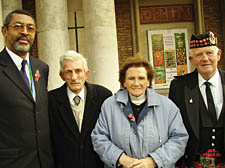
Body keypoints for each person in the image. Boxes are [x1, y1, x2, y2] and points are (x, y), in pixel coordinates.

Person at [91, 56, 189, 168]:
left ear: (148, 81)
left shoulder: (168, 107)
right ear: (124, 82)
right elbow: (99, 137)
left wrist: (154, 160)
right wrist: (120, 158)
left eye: (141, 78)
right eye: (131, 78)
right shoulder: (109, 106)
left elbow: (179, 138)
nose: (136, 83)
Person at [0, 9, 55, 168]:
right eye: (18, 27)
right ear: (5, 31)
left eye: (30, 28)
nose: (25, 32)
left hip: (43, 161)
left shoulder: (41, 68)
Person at [169, 32, 225, 167]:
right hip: (193, 162)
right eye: (199, 54)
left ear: (218, 55)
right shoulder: (179, 86)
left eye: (209, 53)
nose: (205, 59)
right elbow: (171, 126)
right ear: (191, 59)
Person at [48, 50, 112, 168]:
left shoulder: (104, 96)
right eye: (68, 72)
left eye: (78, 71)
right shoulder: (50, 100)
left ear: (86, 74)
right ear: (62, 76)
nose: (74, 77)